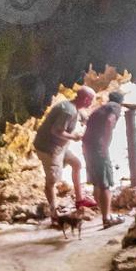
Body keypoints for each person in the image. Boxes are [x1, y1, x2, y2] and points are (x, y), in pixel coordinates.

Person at [34, 87, 94, 218]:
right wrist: (74, 137)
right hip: (49, 148)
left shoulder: (71, 106)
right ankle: (54, 214)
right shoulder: (68, 111)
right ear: (85, 99)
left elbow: (81, 116)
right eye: (91, 100)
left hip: (60, 147)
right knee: (52, 181)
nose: (92, 103)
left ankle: (80, 200)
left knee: (76, 164)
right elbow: (56, 131)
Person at [83, 90, 127, 228]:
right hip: (98, 147)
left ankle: (105, 214)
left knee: (97, 182)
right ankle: (107, 218)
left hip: (87, 146)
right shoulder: (115, 107)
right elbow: (109, 121)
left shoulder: (100, 108)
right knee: (105, 182)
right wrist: (106, 143)